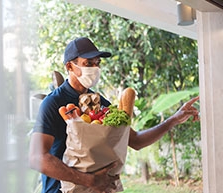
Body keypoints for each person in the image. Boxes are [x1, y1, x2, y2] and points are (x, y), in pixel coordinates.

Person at [29, 37, 199, 193]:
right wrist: (89, 180)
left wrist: (173, 120)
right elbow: (38, 157)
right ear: (69, 66)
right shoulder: (53, 103)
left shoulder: (100, 102)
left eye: (97, 63)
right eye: (88, 63)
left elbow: (135, 140)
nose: (95, 68)